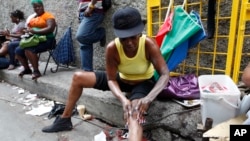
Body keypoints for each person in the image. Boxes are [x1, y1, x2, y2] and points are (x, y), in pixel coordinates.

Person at [42, 7, 169, 141]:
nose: (129, 42)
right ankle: (64, 120)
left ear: (140, 32)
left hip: (144, 83)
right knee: (78, 77)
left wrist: (148, 99)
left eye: (133, 37)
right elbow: (111, 79)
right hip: (123, 80)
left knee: (134, 113)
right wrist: (123, 99)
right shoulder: (112, 48)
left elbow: (165, 74)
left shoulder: (149, 44)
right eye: (124, 38)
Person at [15, 0, 56, 80]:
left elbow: (50, 28)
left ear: (42, 6)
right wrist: (26, 30)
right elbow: (29, 28)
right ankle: (27, 69)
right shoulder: (34, 17)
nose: (37, 8)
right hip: (34, 39)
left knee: (29, 49)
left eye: (38, 6)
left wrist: (36, 31)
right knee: (18, 50)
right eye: (35, 7)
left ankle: (36, 71)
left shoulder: (48, 16)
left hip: (47, 40)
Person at [76, 0, 106, 71]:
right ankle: (87, 71)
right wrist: (78, 11)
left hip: (93, 11)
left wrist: (91, 6)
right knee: (84, 43)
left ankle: (101, 33)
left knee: (81, 36)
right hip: (83, 12)